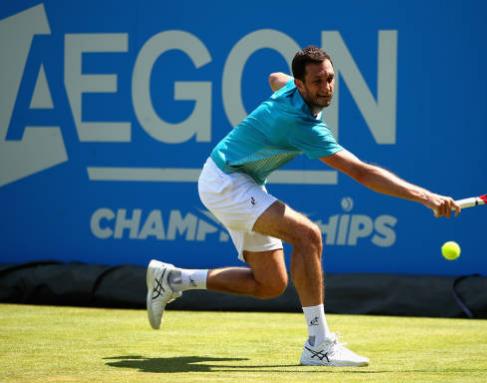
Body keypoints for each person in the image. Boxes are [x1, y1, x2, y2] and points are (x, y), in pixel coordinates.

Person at [146, 46, 460, 367]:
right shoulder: (301, 126)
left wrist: (286, 85)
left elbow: (274, 77)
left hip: (238, 177)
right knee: (308, 236)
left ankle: (171, 280)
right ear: (300, 85)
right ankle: (318, 345)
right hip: (226, 181)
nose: (326, 88)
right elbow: (361, 172)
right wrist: (428, 198)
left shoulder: (290, 87)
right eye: (317, 82)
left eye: (330, 79)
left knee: (270, 285)